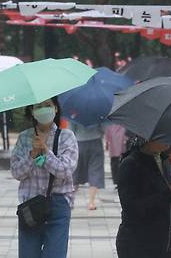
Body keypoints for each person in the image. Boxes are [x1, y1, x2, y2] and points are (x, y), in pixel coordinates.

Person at [10, 97, 78, 258]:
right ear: (32, 111)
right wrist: (31, 156)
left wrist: (46, 152)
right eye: (38, 106)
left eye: (48, 105)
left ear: (55, 108)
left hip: (59, 203)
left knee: (55, 254)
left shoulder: (67, 137)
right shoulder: (24, 138)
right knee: (28, 254)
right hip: (30, 205)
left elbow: (65, 171)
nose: (44, 109)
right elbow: (16, 172)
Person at [115, 137, 171, 258]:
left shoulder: (164, 160)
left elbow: (168, 204)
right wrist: (168, 194)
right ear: (148, 138)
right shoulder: (131, 164)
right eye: (163, 135)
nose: (169, 137)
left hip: (164, 244)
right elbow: (131, 208)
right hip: (138, 245)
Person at [70, 121, 105, 210]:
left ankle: (70, 201)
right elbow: (104, 128)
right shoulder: (98, 111)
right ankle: (91, 202)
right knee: (95, 171)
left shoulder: (74, 112)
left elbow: (71, 130)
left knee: (76, 172)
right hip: (96, 142)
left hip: (79, 143)